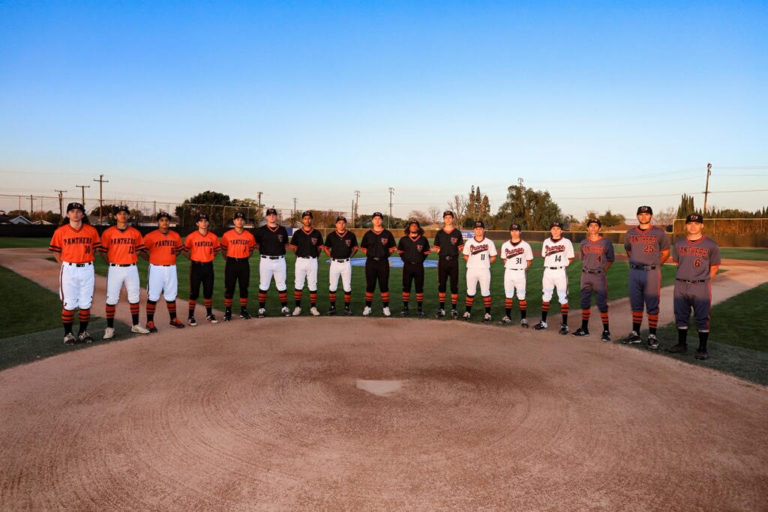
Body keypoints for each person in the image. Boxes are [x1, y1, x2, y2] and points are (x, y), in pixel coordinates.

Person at [668, 214, 721, 360]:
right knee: (680, 315)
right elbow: (678, 263)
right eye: (690, 223)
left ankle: (702, 348)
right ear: (686, 225)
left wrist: (702, 280)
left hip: (700, 286)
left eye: (696, 223)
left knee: (702, 317)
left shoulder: (711, 245)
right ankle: (681, 344)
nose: (693, 226)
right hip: (681, 284)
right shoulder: (679, 244)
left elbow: (715, 266)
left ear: (702, 226)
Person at [48, 202, 101, 344]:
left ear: (83, 214)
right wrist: (65, 264)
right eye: (72, 211)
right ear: (67, 214)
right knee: (69, 304)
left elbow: (95, 249)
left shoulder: (91, 231)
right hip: (69, 269)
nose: (75, 214)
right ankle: (68, 334)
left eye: (78, 211)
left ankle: (83, 332)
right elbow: (55, 251)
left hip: (87, 268)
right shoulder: (61, 231)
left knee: (85, 303)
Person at [623, 205, 670, 349]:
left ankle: (652, 335)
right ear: (637, 216)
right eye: (641, 214)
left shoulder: (659, 233)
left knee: (652, 303)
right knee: (636, 303)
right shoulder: (630, 233)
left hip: (651, 272)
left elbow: (666, 252)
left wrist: (654, 265)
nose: (644, 217)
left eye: (646, 214)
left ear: (651, 216)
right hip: (635, 272)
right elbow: (629, 251)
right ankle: (635, 334)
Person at [100, 205, 149, 339]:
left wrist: (131, 256)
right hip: (115, 268)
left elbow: (139, 249)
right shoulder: (108, 232)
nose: (122, 215)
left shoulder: (135, 232)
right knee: (112, 298)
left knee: (134, 296)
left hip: (131, 268)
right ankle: (109, 328)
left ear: (128, 216)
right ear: (115, 216)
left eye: (125, 213)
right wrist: (111, 262)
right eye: (120, 213)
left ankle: (136, 325)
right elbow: (102, 251)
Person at [141, 212, 185, 332]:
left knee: (171, 294)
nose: (164, 222)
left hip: (171, 268)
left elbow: (179, 250)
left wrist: (170, 256)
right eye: (162, 220)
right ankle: (150, 321)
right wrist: (151, 259)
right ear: (158, 222)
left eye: (166, 220)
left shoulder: (175, 236)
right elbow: (141, 250)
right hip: (156, 268)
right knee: (153, 295)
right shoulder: (150, 236)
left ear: (169, 222)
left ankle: (173, 319)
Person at [573, 218, 615, 341]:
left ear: (600, 228)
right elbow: (583, 259)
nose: (593, 228)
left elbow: (610, 259)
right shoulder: (583, 243)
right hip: (585, 275)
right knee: (585, 302)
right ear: (587, 228)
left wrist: (601, 270)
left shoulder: (606, 243)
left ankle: (606, 331)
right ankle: (584, 329)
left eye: (596, 226)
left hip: (599, 276)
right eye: (591, 226)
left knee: (602, 303)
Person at [534, 221, 575, 335]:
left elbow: (571, 257)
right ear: (550, 230)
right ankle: (543, 322)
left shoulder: (566, 242)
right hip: (547, 272)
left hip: (560, 272)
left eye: (558, 228)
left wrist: (564, 265)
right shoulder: (546, 241)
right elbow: (544, 256)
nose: (555, 230)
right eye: (553, 228)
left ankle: (565, 325)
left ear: (561, 230)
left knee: (563, 297)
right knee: (546, 296)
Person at [183, 213, 220, 325]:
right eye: (201, 221)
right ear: (197, 223)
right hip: (196, 266)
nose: (203, 223)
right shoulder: (191, 236)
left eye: (205, 221)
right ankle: (191, 316)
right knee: (194, 292)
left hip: (208, 266)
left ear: (208, 223)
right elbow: (185, 250)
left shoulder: (213, 237)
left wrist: (210, 256)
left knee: (208, 291)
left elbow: (217, 249)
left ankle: (209, 314)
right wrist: (192, 258)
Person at [254, 208, 291, 317]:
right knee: (264, 284)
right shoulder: (261, 230)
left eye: (274, 215)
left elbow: (285, 244)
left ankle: (284, 307)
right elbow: (256, 245)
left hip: (280, 260)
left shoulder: (282, 230)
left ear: (276, 216)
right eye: (269, 215)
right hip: (266, 260)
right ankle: (261, 309)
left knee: (281, 284)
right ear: (266, 217)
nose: (272, 217)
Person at [220, 212, 256, 321]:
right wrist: (230, 259)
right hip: (231, 262)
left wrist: (243, 257)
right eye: (237, 219)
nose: (239, 221)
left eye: (242, 219)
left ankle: (243, 310)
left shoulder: (249, 236)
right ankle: (228, 311)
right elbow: (223, 250)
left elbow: (251, 250)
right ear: (234, 221)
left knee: (244, 287)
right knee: (229, 287)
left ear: (245, 221)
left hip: (244, 263)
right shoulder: (227, 235)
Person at [360, 212, 397, 316]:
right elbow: (363, 248)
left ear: (382, 220)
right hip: (371, 262)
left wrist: (384, 255)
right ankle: (368, 307)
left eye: (379, 218)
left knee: (384, 285)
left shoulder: (387, 234)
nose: (377, 220)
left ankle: (385, 307)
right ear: (372, 220)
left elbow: (392, 249)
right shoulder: (368, 234)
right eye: (375, 218)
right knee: (370, 285)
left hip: (383, 262)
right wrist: (371, 255)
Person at [289, 210, 324, 316]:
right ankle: (297, 307)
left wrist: (314, 256)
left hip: (312, 260)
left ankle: (313, 307)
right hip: (300, 260)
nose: (307, 220)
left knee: (312, 284)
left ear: (311, 219)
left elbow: (319, 248)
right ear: (302, 220)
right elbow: (294, 248)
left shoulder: (317, 233)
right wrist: (300, 256)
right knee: (298, 284)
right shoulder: (298, 233)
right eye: (305, 218)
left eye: (309, 218)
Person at [462, 220, 497, 322]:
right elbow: (465, 255)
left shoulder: (489, 242)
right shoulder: (469, 242)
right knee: (470, 291)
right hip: (471, 270)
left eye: (480, 229)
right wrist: (473, 262)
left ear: (483, 230)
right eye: (476, 229)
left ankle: (487, 314)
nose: (478, 230)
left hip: (484, 270)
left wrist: (486, 263)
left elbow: (494, 256)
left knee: (485, 291)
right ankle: (467, 312)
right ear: (474, 230)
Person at [499, 223, 533, 327]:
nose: (514, 232)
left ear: (520, 232)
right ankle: (508, 317)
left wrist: (522, 269)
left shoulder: (525, 245)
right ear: (510, 232)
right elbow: (504, 259)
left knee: (521, 296)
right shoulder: (505, 245)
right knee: (508, 295)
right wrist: (511, 266)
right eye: (512, 230)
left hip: (520, 272)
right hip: (508, 272)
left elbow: (529, 260)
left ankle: (523, 319)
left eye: (516, 230)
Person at [323, 216, 358, 315]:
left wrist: (350, 256)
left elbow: (355, 248)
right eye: (339, 223)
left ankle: (347, 308)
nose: (341, 224)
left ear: (346, 224)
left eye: (343, 223)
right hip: (334, 263)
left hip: (346, 263)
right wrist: (331, 256)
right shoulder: (331, 235)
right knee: (332, 286)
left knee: (347, 287)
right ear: (336, 224)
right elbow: (326, 248)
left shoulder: (351, 235)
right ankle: (332, 307)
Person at [433, 210, 465, 318]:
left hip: (453, 261)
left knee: (454, 285)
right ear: (443, 219)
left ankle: (454, 309)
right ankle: (442, 309)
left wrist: (452, 254)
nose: (448, 219)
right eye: (446, 217)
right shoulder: (440, 233)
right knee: (441, 285)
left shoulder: (457, 233)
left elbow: (460, 248)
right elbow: (436, 247)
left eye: (450, 217)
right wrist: (443, 253)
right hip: (442, 261)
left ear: (452, 219)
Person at [397, 220, 431, 317]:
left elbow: (426, 253)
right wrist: (406, 260)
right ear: (409, 228)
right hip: (407, 266)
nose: (413, 227)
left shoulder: (423, 239)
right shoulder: (404, 239)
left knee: (419, 288)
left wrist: (420, 260)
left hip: (418, 266)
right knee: (406, 287)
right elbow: (400, 252)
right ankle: (405, 308)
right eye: (411, 225)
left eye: (415, 225)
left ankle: (419, 309)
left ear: (418, 228)